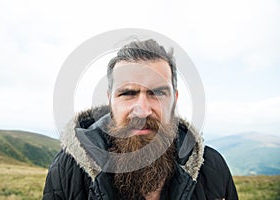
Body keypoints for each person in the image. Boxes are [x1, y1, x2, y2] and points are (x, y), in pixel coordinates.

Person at [43, 39, 238, 200]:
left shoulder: (212, 167)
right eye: (128, 93)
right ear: (110, 100)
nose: (142, 111)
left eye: (158, 93)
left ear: (174, 100)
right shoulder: (68, 170)